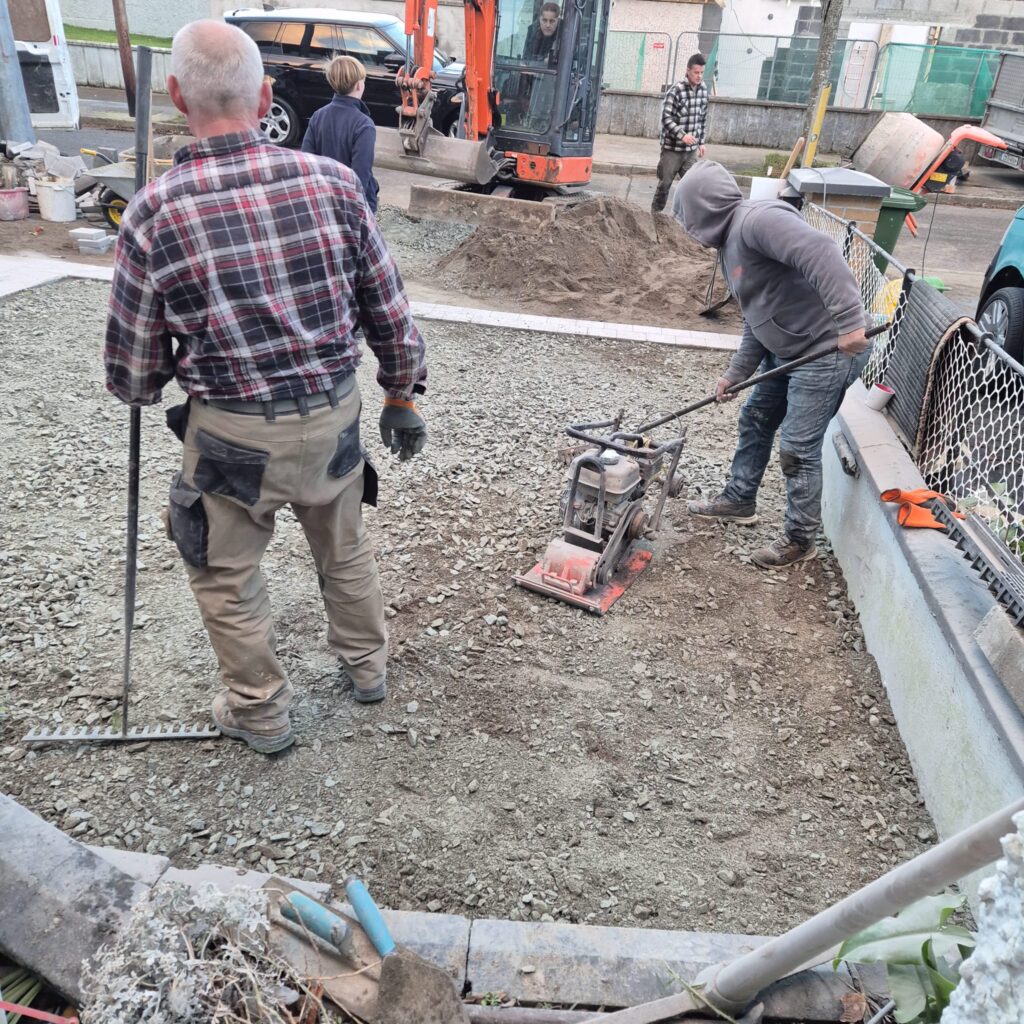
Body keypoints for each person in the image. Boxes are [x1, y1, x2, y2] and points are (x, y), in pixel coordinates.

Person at [104, 20, 427, 754]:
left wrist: (152, 384)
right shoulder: (336, 185)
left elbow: (133, 374)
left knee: (225, 573)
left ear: (178, 94)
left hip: (233, 437)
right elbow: (390, 307)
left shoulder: (154, 211)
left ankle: (262, 712)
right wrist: (401, 395)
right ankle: (367, 669)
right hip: (332, 417)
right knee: (343, 550)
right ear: (269, 94)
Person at [672, 160, 871, 569]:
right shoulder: (730, 244)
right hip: (789, 351)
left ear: (702, 208)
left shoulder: (758, 220)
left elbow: (821, 250)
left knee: (797, 448)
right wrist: (736, 374)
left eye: (687, 216)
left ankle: (800, 539)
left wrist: (851, 321)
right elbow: (757, 318)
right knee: (756, 418)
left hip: (827, 349)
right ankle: (739, 500)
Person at [301, 54, 379, 214]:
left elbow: (306, 161)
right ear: (359, 85)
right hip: (353, 206)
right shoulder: (364, 124)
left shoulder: (318, 116)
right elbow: (361, 174)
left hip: (323, 200)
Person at [651, 53, 708, 214]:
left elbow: (702, 119)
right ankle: (654, 216)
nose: (699, 76)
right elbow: (666, 118)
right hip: (672, 150)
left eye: (702, 72)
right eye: (696, 72)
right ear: (688, 71)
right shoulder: (676, 91)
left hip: (690, 152)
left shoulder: (703, 91)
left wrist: (701, 142)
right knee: (665, 184)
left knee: (692, 187)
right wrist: (682, 135)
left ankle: (688, 221)